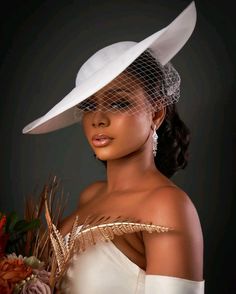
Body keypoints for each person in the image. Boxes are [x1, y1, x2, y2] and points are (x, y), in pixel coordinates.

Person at [23, 1, 205, 293]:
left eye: (119, 103)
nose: (98, 119)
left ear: (156, 113)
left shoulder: (167, 206)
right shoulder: (90, 195)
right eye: (89, 106)